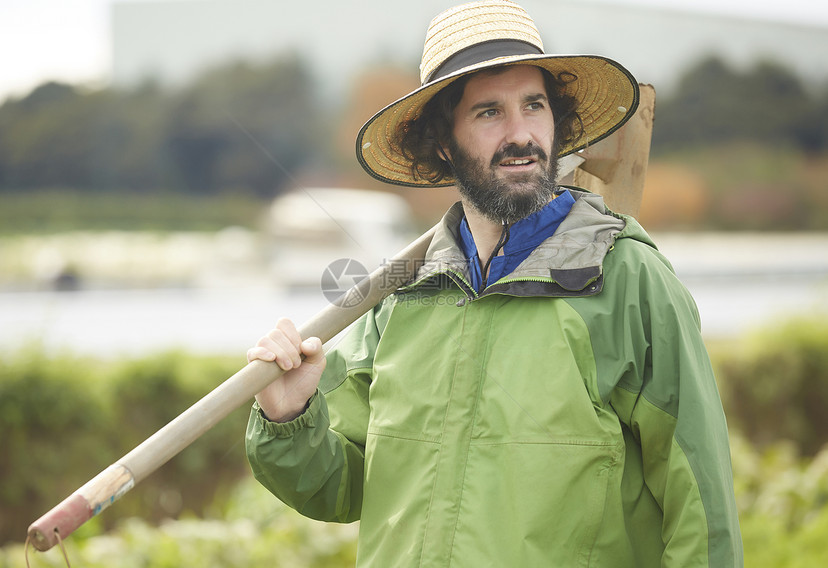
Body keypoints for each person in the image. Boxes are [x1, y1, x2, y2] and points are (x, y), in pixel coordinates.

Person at [245, 1, 744, 566]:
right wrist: (290, 417)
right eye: (488, 113)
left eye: (534, 106)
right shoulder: (400, 296)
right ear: (442, 143)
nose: (520, 134)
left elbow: (702, 514)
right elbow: (339, 486)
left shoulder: (628, 280)